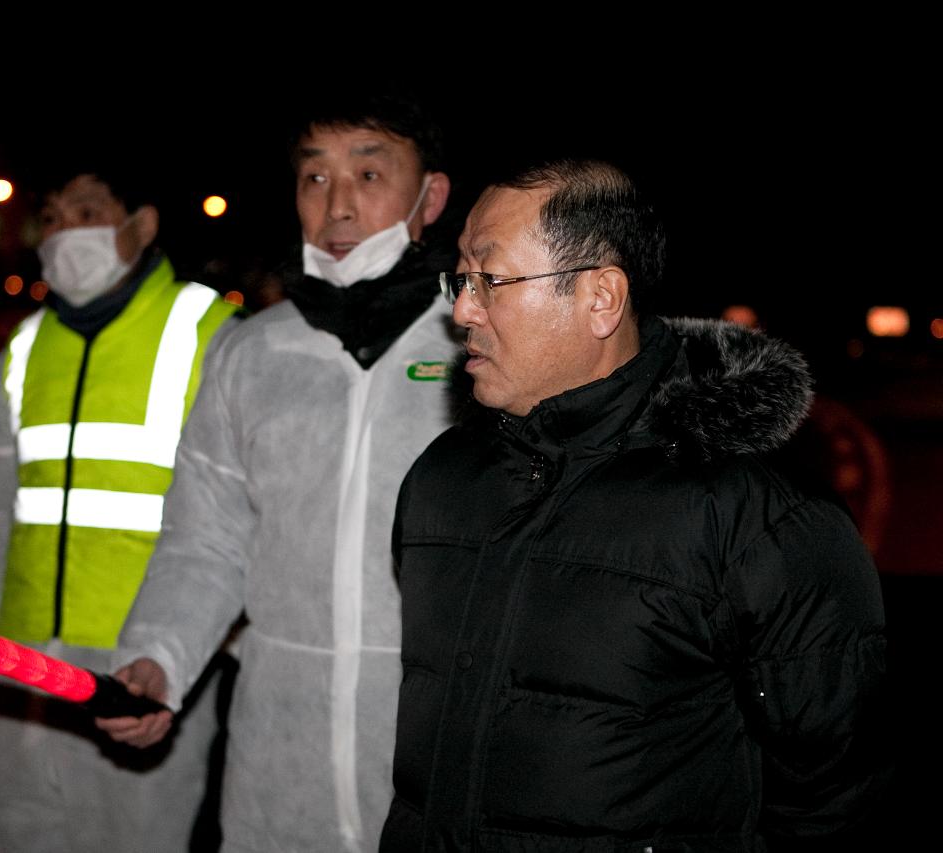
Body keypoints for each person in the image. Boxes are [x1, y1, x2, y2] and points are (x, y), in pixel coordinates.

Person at [379, 158, 892, 852]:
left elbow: (834, 791)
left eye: (490, 280)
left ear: (600, 298)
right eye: (461, 280)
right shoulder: (440, 483)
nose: (462, 310)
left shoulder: (755, 516)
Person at [96, 91, 459, 853]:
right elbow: (206, 539)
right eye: (315, 178)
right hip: (276, 755)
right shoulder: (249, 353)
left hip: (441, 742)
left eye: (368, 173)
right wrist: (160, 656)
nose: (338, 206)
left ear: (430, 195)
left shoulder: (480, 347)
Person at [0, 160, 241, 853]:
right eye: (52, 217)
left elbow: (237, 522)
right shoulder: (21, 350)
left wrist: (193, 656)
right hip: (14, 673)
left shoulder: (212, 334)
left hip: (135, 677)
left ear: (143, 224)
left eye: (88, 211)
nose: (65, 230)